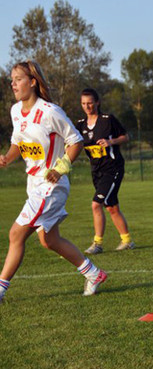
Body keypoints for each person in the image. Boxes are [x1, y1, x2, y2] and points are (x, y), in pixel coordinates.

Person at [0, 61, 108, 304]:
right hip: (33, 185)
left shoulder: (50, 112)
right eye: (12, 79)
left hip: (51, 186)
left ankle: (0, 289)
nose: (13, 83)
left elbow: (76, 141)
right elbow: (18, 142)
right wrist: (8, 156)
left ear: (33, 82)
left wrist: (60, 168)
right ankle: (94, 273)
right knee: (49, 240)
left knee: (15, 234)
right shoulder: (16, 111)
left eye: (18, 79)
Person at [76, 88, 134, 254]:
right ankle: (127, 240)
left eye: (90, 103)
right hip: (96, 170)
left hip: (113, 167)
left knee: (96, 205)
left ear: (97, 103)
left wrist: (112, 142)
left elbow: (126, 137)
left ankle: (97, 244)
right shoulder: (80, 125)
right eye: (84, 103)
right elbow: (72, 141)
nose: (87, 106)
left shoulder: (108, 120)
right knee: (112, 207)